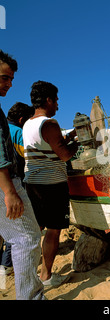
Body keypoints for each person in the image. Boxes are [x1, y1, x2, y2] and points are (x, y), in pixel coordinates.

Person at [23, 80, 78, 287]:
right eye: (56, 101)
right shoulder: (50, 124)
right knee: (54, 231)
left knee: (35, 230)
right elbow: (64, 155)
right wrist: (78, 142)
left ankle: (28, 273)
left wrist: (69, 134)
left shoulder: (28, 123)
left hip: (33, 183)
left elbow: (46, 141)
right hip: (52, 185)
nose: (57, 105)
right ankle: (46, 276)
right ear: (48, 100)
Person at [0, 49, 45, 300]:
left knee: (17, 238)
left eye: (11, 79)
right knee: (27, 239)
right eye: (5, 78)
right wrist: (9, 191)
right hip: (5, 183)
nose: (9, 84)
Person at [0, 102, 34, 276]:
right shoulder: (18, 132)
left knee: (6, 231)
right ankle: (7, 266)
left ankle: (3, 268)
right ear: (22, 120)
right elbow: (28, 156)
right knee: (24, 235)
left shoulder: (6, 126)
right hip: (10, 184)